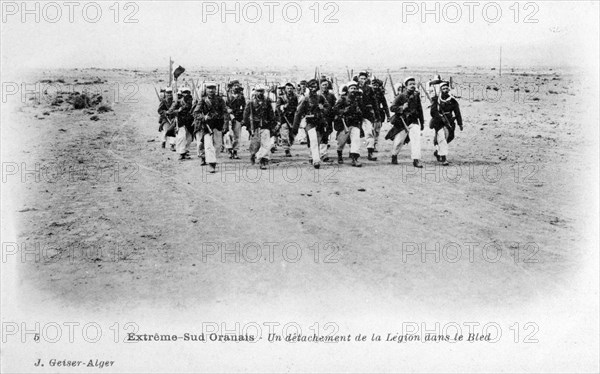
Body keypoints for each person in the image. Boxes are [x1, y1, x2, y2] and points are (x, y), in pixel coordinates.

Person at [386, 77, 424, 168]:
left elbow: (420, 110)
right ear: (406, 86)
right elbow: (392, 108)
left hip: (413, 121)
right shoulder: (401, 96)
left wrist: (422, 122)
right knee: (399, 141)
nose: (412, 86)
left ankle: (416, 160)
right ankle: (394, 155)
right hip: (402, 123)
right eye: (410, 84)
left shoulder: (416, 96)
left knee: (416, 140)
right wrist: (402, 108)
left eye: (414, 84)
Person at [292, 79, 331, 169]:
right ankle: (316, 160)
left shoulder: (321, 97)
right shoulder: (305, 98)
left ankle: (312, 156)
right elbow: (298, 113)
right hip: (310, 122)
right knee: (313, 140)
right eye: (311, 86)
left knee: (317, 141)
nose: (313, 88)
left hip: (320, 122)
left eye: (315, 86)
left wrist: (322, 109)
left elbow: (328, 108)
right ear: (308, 87)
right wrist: (295, 127)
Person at [192, 82, 227, 173]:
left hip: (218, 125)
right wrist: (203, 117)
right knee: (208, 145)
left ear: (216, 89)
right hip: (207, 126)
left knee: (218, 145)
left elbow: (225, 112)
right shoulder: (203, 100)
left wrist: (225, 124)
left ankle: (212, 158)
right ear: (206, 90)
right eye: (209, 88)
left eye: (213, 88)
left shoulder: (220, 100)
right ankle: (211, 163)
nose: (211, 90)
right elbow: (196, 113)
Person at [429, 81, 463, 165]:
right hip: (439, 122)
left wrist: (460, 124)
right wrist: (439, 116)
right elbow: (432, 112)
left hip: (449, 121)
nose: (445, 90)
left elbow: (457, 112)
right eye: (443, 89)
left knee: (449, 137)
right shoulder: (436, 99)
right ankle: (444, 158)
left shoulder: (452, 100)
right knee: (442, 138)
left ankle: (438, 152)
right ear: (440, 90)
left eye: (446, 88)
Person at [333, 81, 366, 167]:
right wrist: (344, 111)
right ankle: (339, 154)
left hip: (355, 123)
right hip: (345, 123)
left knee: (356, 141)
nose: (353, 90)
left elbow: (363, 110)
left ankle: (354, 159)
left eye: (355, 88)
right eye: (351, 88)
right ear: (348, 89)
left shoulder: (359, 99)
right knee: (342, 142)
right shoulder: (342, 99)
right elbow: (335, 109)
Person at [243, 84, 276, 170]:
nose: (260, 93)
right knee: (255, 144)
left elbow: (271, 114)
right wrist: (248, 127)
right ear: (255, 91)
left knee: (266, 144)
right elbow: (246, 116)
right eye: (258, 91)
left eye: (261, 91)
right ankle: (253, 154)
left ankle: (263, 161)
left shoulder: (267, 101)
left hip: (265, 125)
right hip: (255, 126)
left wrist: (272, 124)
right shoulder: (251, 102)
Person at [168, 87, 194, 160]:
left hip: (190, 122)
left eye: (187, 92)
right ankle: (181, 153)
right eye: (184, 92)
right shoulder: (177, 102)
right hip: (180, 121)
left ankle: (186, 151)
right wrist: (177, 111)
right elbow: (170, 111)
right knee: (181, 137)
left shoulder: (193, 101)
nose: (186, 94)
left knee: (189, 138)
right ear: (182, 93)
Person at [357, 71, 378, 161]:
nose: (363, 80)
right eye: (361, 78)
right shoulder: (354, 88)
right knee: (354, 134)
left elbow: (374, 102)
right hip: (356, 114)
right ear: (358, 79)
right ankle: (353, 153)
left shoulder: (369, 89)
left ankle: (370, 152)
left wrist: (377, 115)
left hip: (367, 114)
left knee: (369, 132)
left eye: (364, 78)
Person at [277, 83, 299, 157]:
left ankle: (289, 145)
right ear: (285, 89)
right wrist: (282, 107)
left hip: (293, 118)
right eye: (288, 88)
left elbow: (298, 106)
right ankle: (286, 149)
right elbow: (277, 108)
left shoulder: (296, 97)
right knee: (284, 134)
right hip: (284, 118)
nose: (289, 90)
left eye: (290, 88)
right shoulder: (281, 98)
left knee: (292, 135)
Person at [225, 86, 246, 159]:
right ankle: (229, 150)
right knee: (229, 135)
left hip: (238, 118)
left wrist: (243, 118)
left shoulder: (242, 98)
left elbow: (244, 109)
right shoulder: (228, 98)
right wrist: (228, 111)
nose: (238, 93)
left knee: (237, 136)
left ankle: (235, 151)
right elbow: (224, 107)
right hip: (229, 119)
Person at [371, 78, 390, 153]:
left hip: (378, 114)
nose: (375, 87)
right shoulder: (367, 93)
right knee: (370, 130)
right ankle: (370, 145)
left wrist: (388, 116)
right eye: (373, 85)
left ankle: (374, 145)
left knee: (377, 131)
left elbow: (385, 105)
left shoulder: (380, 94)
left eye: (376, 85)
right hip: (369, 114)